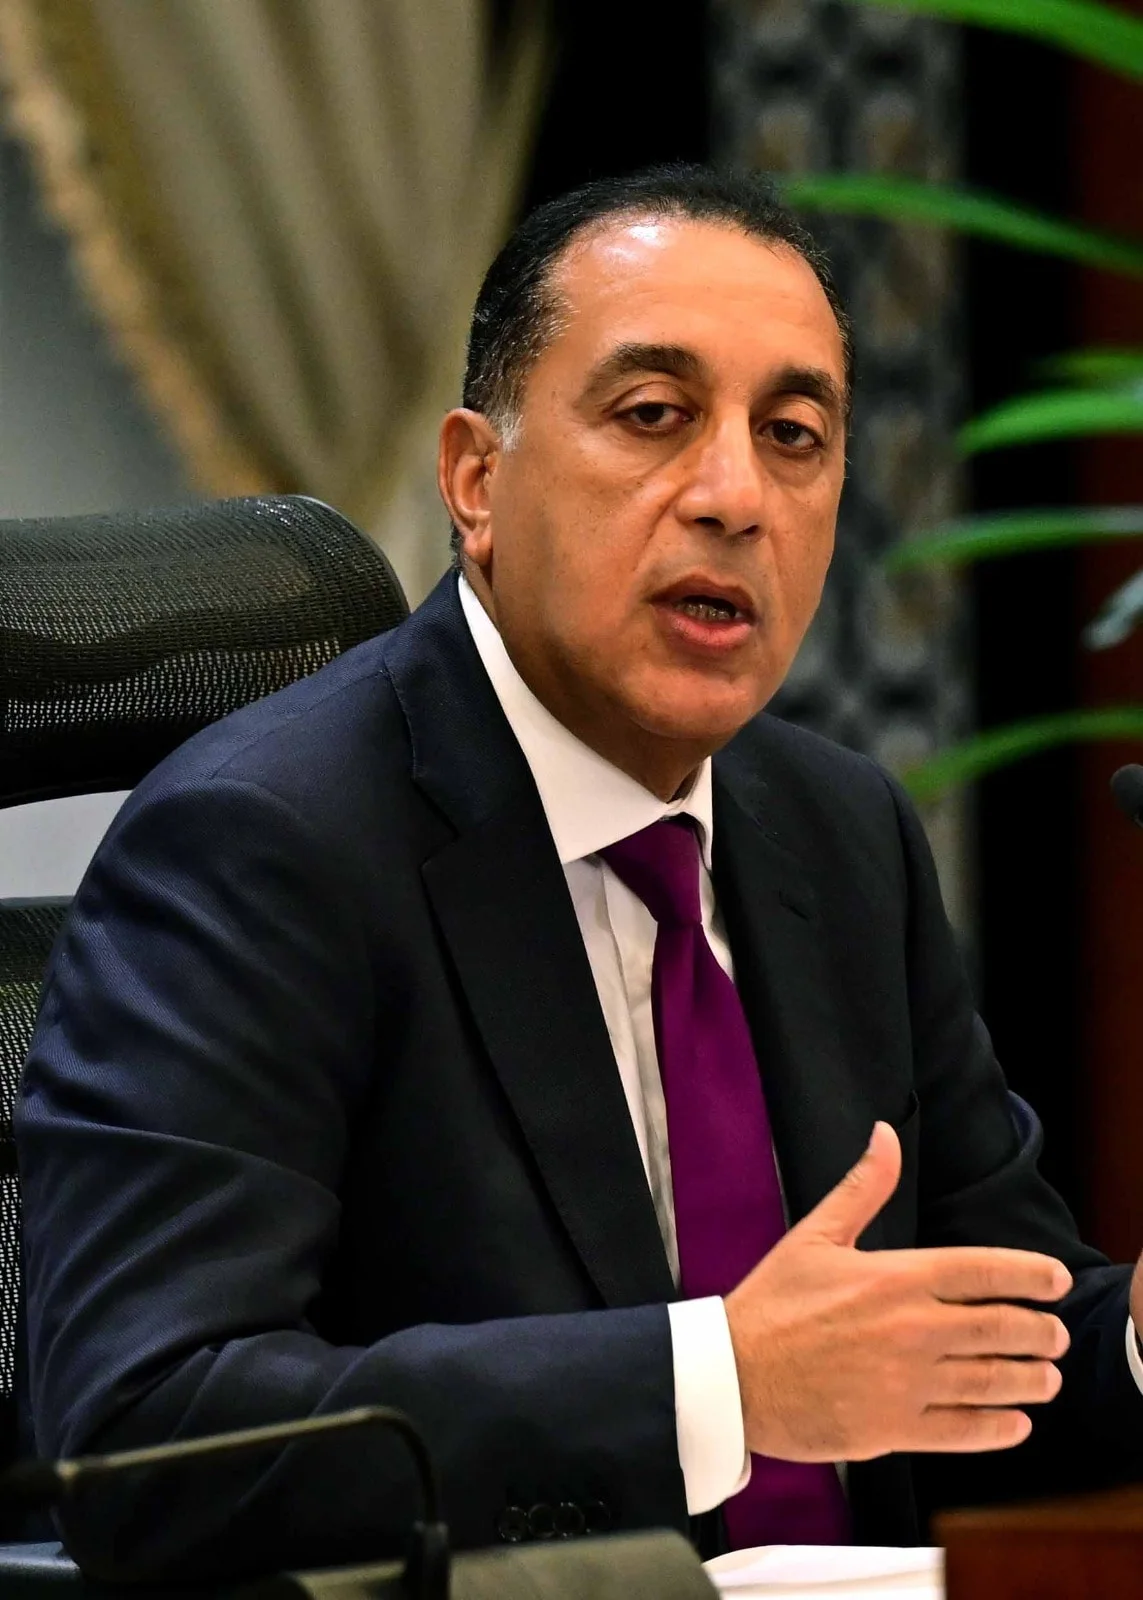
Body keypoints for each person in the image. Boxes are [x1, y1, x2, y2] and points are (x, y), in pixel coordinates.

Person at [16, 165, 1143, 1585]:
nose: (734, 496)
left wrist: (1135, 1342)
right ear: (476, 480)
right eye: (654, 415)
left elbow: (989, 1367)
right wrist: (720, 1386)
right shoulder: (260, 845)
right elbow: (147, 1439)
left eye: (793, 436)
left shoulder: (838, 831)